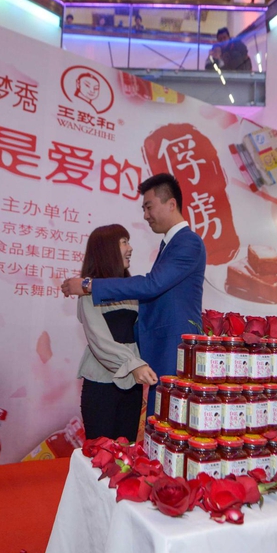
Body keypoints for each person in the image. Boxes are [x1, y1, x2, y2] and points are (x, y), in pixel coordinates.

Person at [61, 174, 206, 412]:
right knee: (160, 418)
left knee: (167, 416)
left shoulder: (187, 242)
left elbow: (151, 285)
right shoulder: (170, 245)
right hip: (157, 349)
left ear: (171, 204)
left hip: (173, 345)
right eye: (143, 209)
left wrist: (90, 285)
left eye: (149, 207)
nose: (145, 215)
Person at [75, 225, 159, 441]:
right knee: (100, 451)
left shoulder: (131, 290)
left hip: (132, 386)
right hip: (101, 383)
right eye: (124, 242)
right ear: (107, 249)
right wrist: (133, 365)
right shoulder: (88, 291)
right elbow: (99, 340)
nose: (130, 248)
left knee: (126, 450)